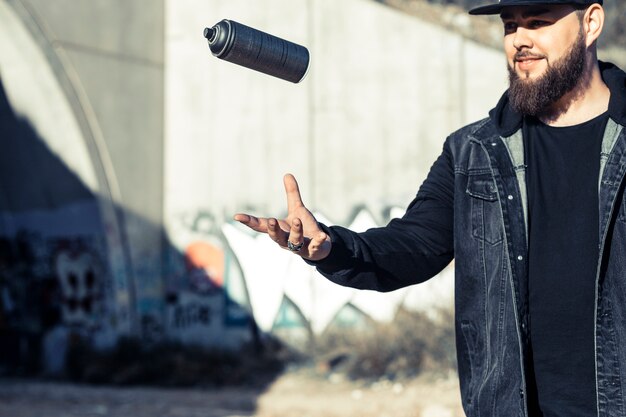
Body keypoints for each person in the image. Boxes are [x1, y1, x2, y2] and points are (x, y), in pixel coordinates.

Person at [234, 0, 626, 415]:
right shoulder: (474, 153)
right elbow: (414, 245)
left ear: (591, 22)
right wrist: (330, 246)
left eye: (538, 22)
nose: (520, 41)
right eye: (510, 26)